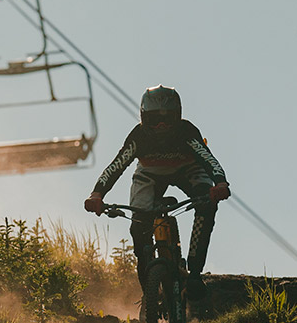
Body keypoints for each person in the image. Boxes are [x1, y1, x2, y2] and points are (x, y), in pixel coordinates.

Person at [84, 85, 231, 297]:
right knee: (139, 226)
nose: (161, 125)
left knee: (207, 204)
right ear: (144, 118)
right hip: (149, 174)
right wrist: (97, 194)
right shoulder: (138, 136)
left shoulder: (187, 132)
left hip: (189, 169)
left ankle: (195, 274)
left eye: (168, 119)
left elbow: (208, 160)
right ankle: (148, 292)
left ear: (178, 117)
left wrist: (220, 183)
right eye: (154, 120)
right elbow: (116, 165)